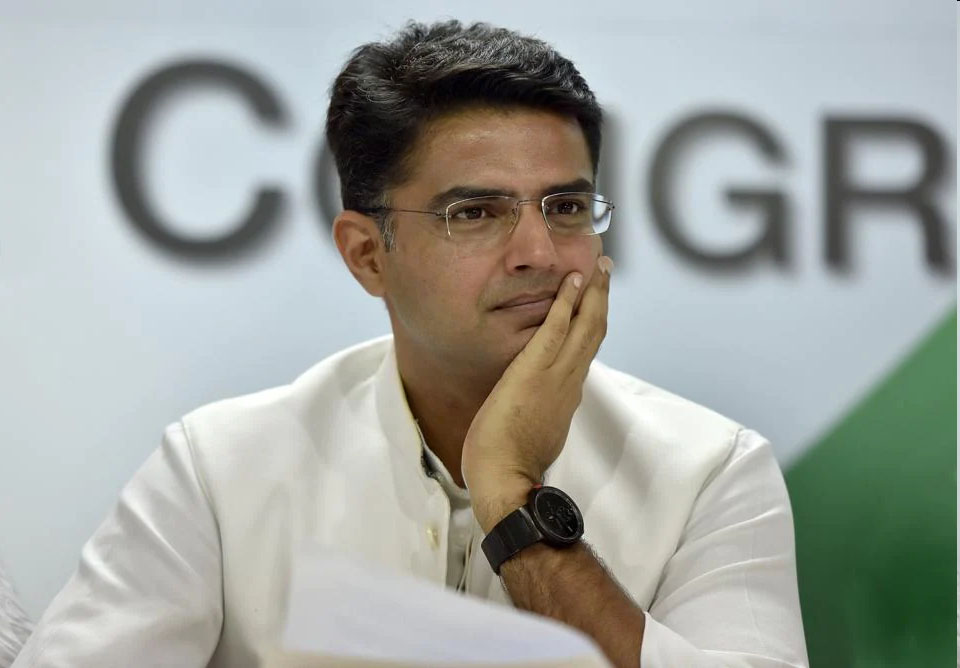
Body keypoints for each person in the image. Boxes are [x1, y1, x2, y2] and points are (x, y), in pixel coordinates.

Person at [12, 20, 808, 668]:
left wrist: (513, 494)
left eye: (566, 207)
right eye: (476, 213)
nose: (539, 252)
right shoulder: (220, 469)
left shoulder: (711, 471)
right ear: (367, 255)